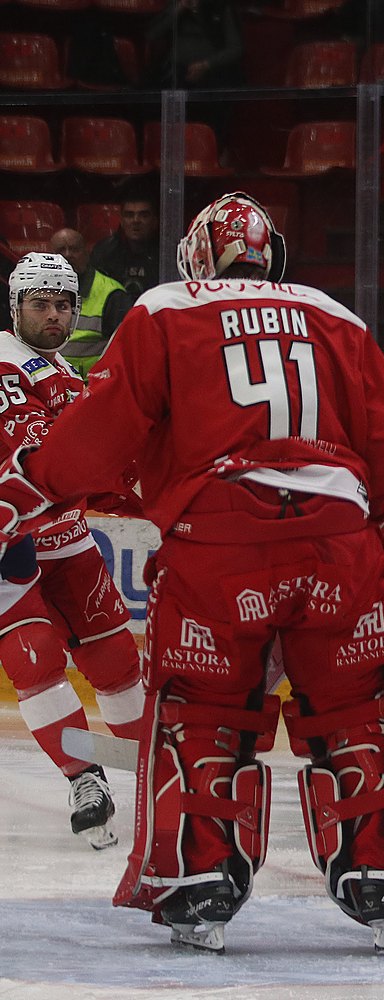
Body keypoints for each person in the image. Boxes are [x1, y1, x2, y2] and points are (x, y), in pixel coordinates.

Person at [0, 192, 384, 953]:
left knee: (204, 716)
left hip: (217, 549)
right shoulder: (333, 313)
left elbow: (97, 440)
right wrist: (346, 514)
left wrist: (41, 479)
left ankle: (199, 884)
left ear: (194, 256)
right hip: (340, 547)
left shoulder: (163, 309)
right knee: (358, 715)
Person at [0, 252, 146, 851]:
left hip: (68, 542)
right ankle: (85, 778)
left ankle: (150, 768)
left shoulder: (59, 370)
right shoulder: (6, 365)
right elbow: (41, 457)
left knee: (115, 666)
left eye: (64, 304)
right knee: (35, 658)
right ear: (17, 308)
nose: (55, 315)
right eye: (41, 304)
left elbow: (93, 466)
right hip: (11, 548)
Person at [48, 228, 131, 378]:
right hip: (50, 385)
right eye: (60, 250)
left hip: (92, 388)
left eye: (74, 249)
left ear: (87, 253)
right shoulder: (38, 292)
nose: (67, 255)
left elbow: (127, 352)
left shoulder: (112, 294)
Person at [88, 194, 160, 299]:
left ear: (154, 221)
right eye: (129, 215)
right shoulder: (104, 252)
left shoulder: (167, 253)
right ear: (121, 221)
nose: (136, 220)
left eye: (143, 215)